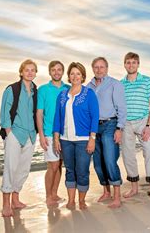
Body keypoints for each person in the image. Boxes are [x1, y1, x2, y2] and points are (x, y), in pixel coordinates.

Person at [120, 52, 150, 202]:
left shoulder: (147, 81)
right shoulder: (121, 84)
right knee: (128, 155)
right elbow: (119, 107)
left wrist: (149, 126)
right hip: (126, 123)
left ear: (138, 64)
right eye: (128, 62)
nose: (131, 65)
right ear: (124, 64)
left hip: (143, 122)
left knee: (149, 153)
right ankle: (134, 188)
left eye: (134, 62)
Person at [53, 62, 99, 210]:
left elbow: (95, 116)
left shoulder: (89, 94)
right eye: (72, 73)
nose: (75, 76)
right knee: (70, 170)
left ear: (83, 76)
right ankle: (71, 200)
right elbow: (57, 118)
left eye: (78, 73)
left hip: (83, 140)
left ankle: (82, 201)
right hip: (65, 140)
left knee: (82, 170)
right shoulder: (62, 95)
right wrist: (56, 139)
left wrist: (92, 139)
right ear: (69, 76)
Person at [0, 59, 39, 217]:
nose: (30, 72)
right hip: (15, 134)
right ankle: (5, 204)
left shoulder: (36, 90)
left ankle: (16, 200)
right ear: (21, 72)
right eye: (27, 70)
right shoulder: (12, 89)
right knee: (11, 168)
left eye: (33, 70)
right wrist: (9, 133)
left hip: (30, 135)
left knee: (23, 169)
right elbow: (4, 112)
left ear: (36, 73)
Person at [86, 57, 126, 208]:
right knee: (97, 163)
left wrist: (119, 128)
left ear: (107, 68)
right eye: (96, 67)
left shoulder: (115, 84)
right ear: (93, 69)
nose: (99, 70)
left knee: (109, 160)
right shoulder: (88, 87)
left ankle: (117, 195)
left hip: (111, 124)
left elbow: (122, 108)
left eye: (102, 67)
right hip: (94, 128)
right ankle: (106, 191)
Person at [36, 61, 70, 206]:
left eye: (59, 70)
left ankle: (55, 194)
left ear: (63, 72)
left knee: (60, 164)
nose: (56, 72)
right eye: (53, 70)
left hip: (66, 134)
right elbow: (39, 114)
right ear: (50, 72)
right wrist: (41, 135)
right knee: (53, 166)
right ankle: (48, 196)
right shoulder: (43, 89)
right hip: (49, 133)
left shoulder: (68, 88)